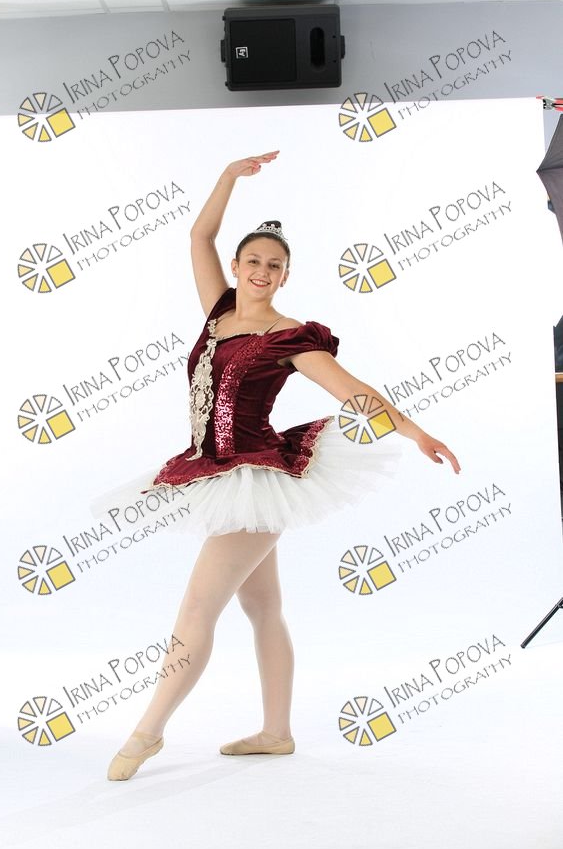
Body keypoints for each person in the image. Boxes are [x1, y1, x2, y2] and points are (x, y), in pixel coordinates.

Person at [107, 151, 460, 781]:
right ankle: (276, 733)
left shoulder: (288, 336)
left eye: (274, 265)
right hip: (212, 467)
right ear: (237, 267)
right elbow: (199, 236)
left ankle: (147, 732)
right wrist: (227, 177)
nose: (262, 271)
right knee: (263, 608)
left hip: (256, 478)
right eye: (254, 261)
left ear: (285, 275)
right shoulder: (218, 313)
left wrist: (414, 431)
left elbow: (353, 391)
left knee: (196, 612)